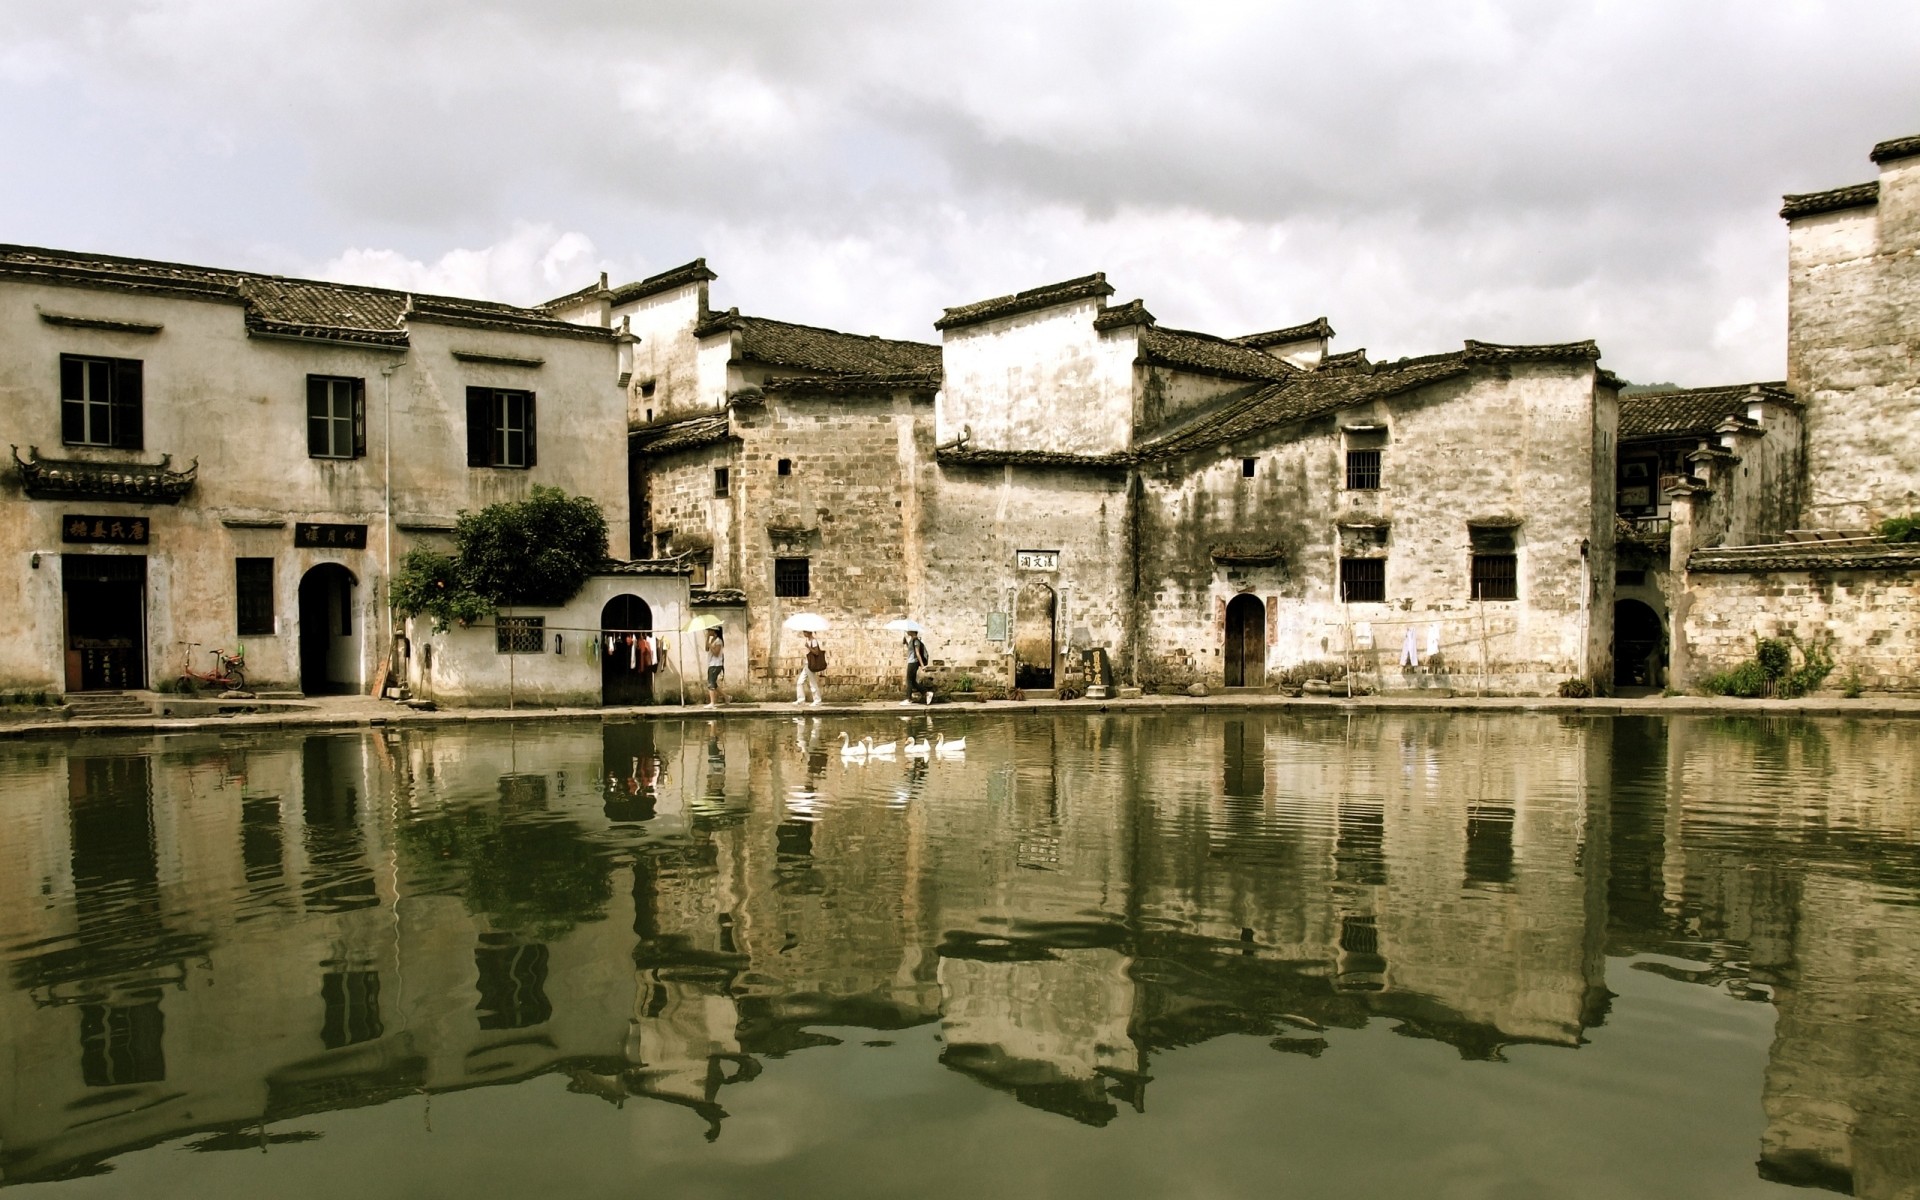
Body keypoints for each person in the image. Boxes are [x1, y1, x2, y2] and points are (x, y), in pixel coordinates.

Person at [900, 629, 930, 705]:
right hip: (911, 661)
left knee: (909, 680)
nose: (907, 631)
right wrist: (906, 643)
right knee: (913, 682)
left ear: (913, 631)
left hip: (913, 662)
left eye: (909, 630)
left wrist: (922, 666)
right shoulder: (912, 640)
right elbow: (911, 651)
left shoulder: (916, 641)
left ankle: (908, 699)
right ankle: (927, 693)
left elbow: (917, 653)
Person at [796, 631, 826, 705]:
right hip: (807, 664)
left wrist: (808, 647)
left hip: (811, 664)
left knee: (812, 683)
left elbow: (816, 652)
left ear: (809, 632)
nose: (803, 633)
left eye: (805, 632)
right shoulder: (808, 640)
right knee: (800, 682)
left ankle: (817, 700)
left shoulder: (814, 641)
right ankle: (801, 699)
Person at [704, 627, 726, 707]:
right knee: (713, 684)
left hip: (715, 664)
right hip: (711, 664)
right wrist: (707, 639)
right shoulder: (713, 640)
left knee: (711, 683)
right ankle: (727, 697)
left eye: (710, 630)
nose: (708, 632)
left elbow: (716, 653)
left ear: (714, 631)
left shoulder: (718, 641)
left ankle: (712, 703)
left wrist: (710, 645)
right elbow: (706, 649)